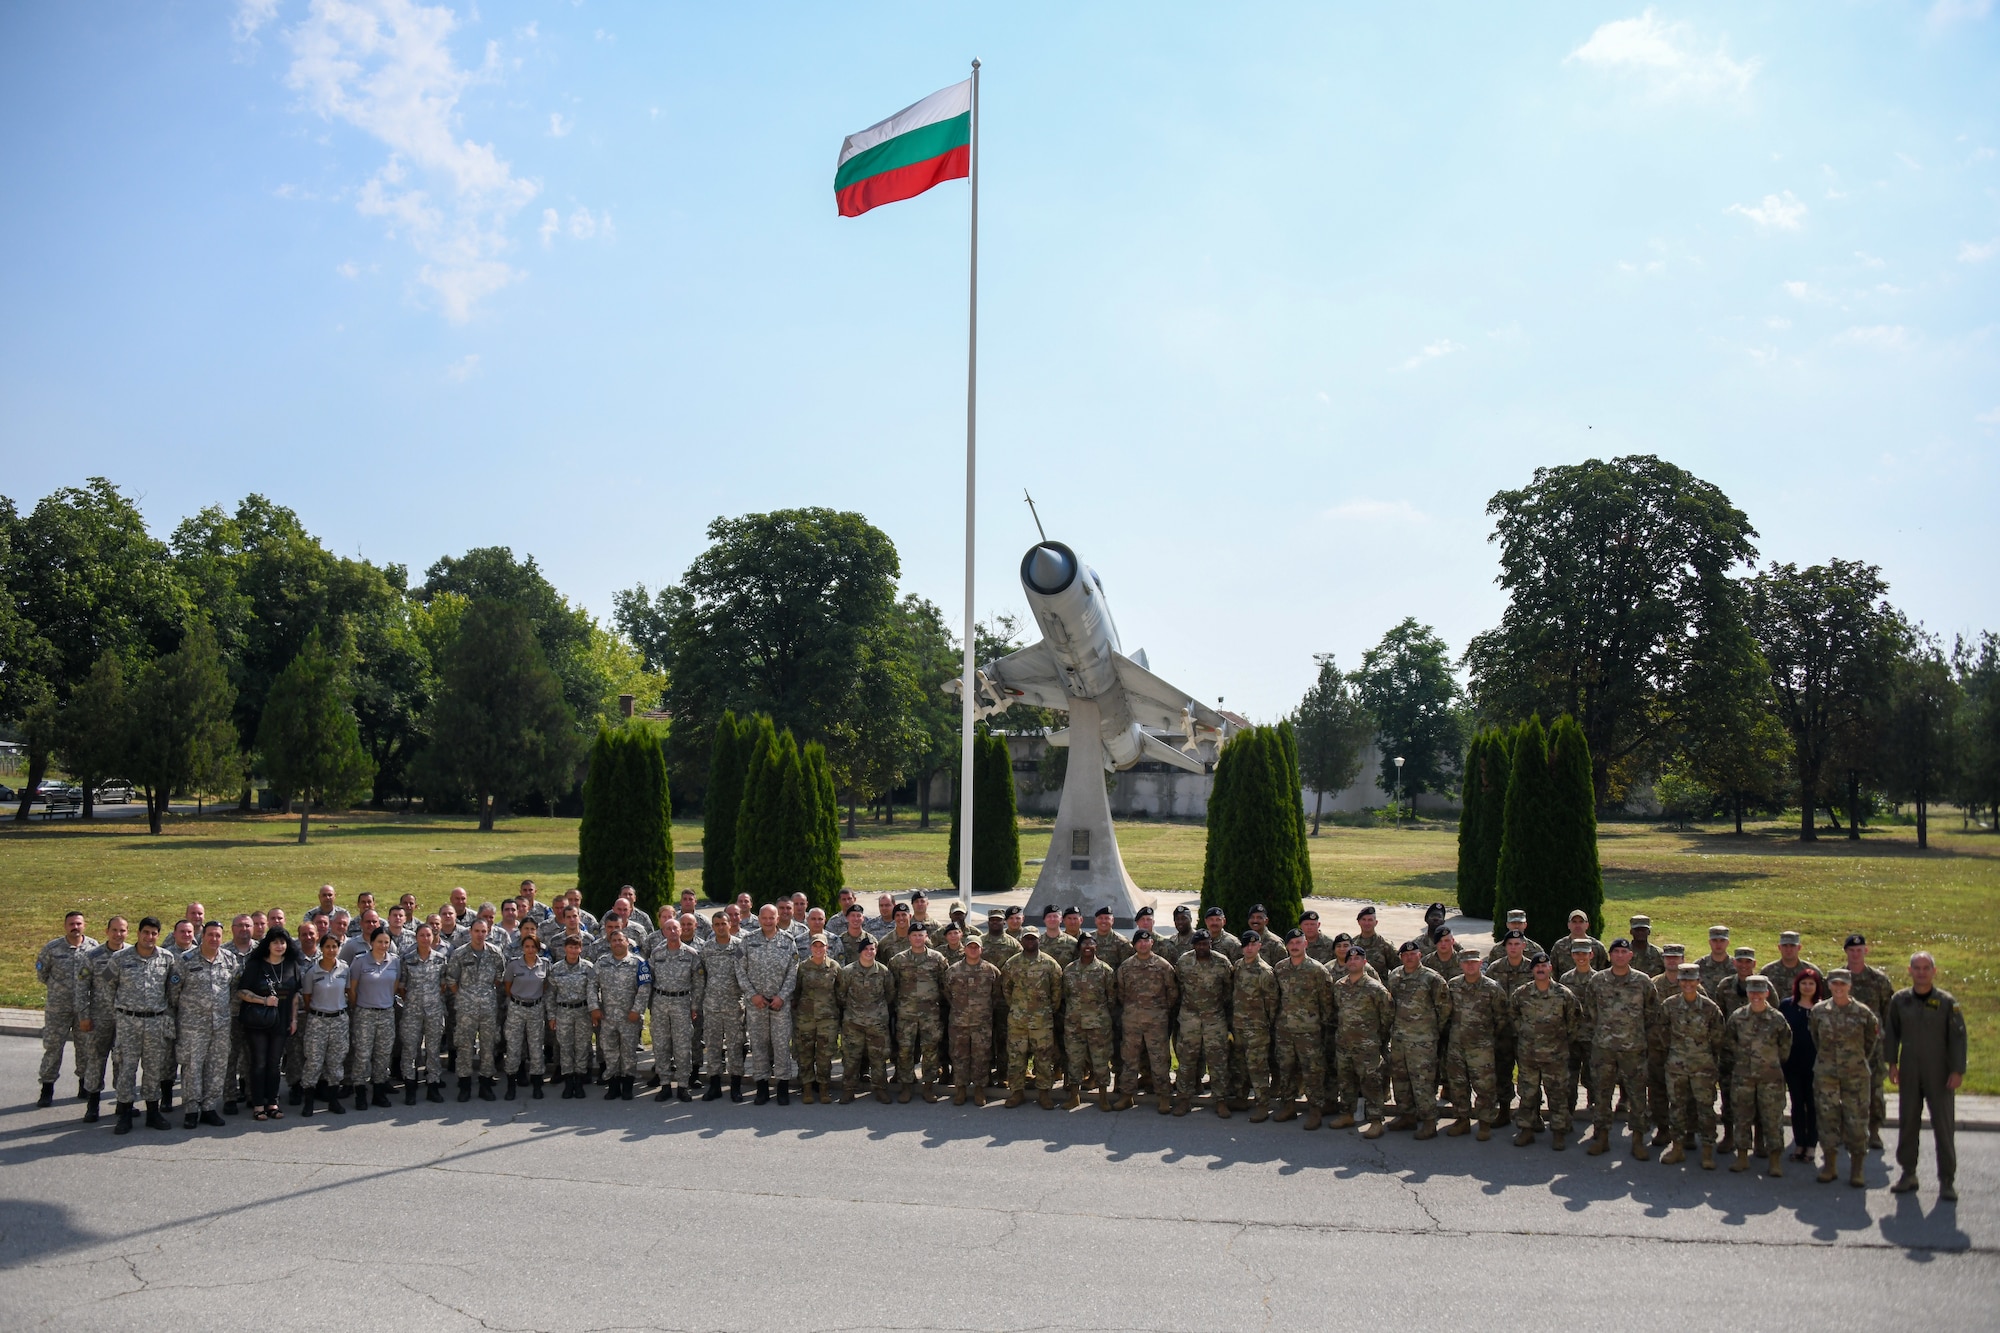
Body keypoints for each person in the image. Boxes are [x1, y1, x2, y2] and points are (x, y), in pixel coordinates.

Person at [1884, 951, 1967, 1201]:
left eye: (1926, 968)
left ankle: (1947, 1181)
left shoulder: (1946, 1002)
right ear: (1909, 971)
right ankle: (1908, 1173)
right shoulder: (1900, 1001)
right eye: (1916, 968)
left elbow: (1958, 1038)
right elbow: (1891, 1032)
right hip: (1909, 1069)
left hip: (1939, 1072)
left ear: (1934, 971)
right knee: (1908, 1122)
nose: (1921, 972)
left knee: (1943, 1126)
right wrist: (1892, 1063)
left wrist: (1957, 1070)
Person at [1811, 968, 1880, 1188]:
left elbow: (1870, 1041)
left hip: (1855, 1075)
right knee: (1827, 1118)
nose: (1838, 988)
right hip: (1826, 1074)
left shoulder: (1863, 1013)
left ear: (1850, 986)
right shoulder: (1819, 1011)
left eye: (1843, 984)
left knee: (1857, 1120)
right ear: (1829, 986)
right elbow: (1815, 1037)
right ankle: (1830, 1166)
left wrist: (1856, 1060)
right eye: (1835, 984)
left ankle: (1857, 1168)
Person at [1510, 954, 1581, 1150]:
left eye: (1544, 965)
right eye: (1537, 966)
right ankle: (1526, 1129)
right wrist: (1524, 1033)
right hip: (1529, 1054)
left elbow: (1574, 1020)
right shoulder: (1521, 994)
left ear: (1550, 968)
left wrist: (1562, 1040)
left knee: (1557, 1094)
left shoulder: (1563, 994)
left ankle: (1558, 1132)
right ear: (1532, 970)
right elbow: (1513, 1016)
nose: (1540, 969)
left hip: (1555, 1054)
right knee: (1527, 1093)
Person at [1659, 963, 1725, 1168]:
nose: (1688, 983)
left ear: (1698, 981)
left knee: (1705, 1109)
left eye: (1691, 979)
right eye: (1684, 979)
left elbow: (1718, 1037)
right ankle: (1677, 1148)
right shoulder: (1669, 1005)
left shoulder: (1709, 1008)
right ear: (1679, 981)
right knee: (1677, 1107)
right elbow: (1662, 1033)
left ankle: (1707, 1151)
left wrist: (1705, 1056)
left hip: (1702, 1066)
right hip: (1676, 1065)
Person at [1723, 976, 1791, 1175]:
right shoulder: (1738, 1017)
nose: (1756, 996)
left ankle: (1775, 1160)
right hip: (1743, 1076)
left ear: (1767, 993)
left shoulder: (1777, 1019)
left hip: (1770, 1077)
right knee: (1742, 1116)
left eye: (1760, 992)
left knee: (1772, 1118)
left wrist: (1771, 1061)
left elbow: (1785, 1045)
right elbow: (1730, 1041)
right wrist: (1744, 1059)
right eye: (1752, 992)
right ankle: (1742, 1157)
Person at [1385, 939, 1451, 1137]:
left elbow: (1444, 1007)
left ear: (1420, 955)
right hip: (1399, 1038)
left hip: (1423, 1040)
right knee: (1401, 1080)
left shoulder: (1432, 978)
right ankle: (1407, 1116)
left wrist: (1431, 1030)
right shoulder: (1395, 976)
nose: (1409, 957)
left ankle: (1429, 1122)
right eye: (1405, 955)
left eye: (1413, 954)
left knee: (1422, 1082)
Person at [236, 927, 303, 1121]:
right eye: (275, 942)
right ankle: (258, 1104)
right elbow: (242, 992)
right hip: (258, 1021)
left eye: (282, 942)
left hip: (281, 1021)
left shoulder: (291, 965)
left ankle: (273, 1103)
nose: (279, 946)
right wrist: (263, 1000)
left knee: (274, 1064)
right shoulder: (256, 965)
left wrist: (294, 1019)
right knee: (259, 1063)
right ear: (268, 944)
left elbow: (294, 997)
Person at [35, 911, 97, 1108]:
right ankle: (47, 1088)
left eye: (78, 923)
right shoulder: (52, 949)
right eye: (71, 924)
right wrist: (60, 991)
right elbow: (42, 973)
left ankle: (84, 1085)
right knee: (53, 1047)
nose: (75, 927)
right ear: (65, 926)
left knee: (85, 1048)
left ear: (84, 926)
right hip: (58, 1009)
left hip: (84, 1008)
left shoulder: (93, 948)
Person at [1330, 943, 1392, 1137]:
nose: (1353, 961)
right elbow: (1336, 1012)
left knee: (1371, 1083)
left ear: (1364, 962)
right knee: (1346, 1082)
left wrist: (1377, 1039)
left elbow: (1387, 1016)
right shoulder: (1339, 986)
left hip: (1368, 1046)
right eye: (1350, 958)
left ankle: (1376, 1121)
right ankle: (1347, 1114)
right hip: (1344, 1043)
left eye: (1357, 958)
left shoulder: (1375, 989)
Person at [740, 906, 800, 1105]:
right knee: (759, 1045)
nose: (767, 921)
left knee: (782, 1046)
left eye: (771, 917)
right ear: (759, 919)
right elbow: (740, 971)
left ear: (777, 918)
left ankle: (782, 1087)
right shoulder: (748, 941)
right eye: (764, 918)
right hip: (756, 1004)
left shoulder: (788, 941)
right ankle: (762, 1087)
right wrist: (752, 995)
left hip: (779, 1004)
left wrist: (782, 996)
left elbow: (794, 971)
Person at [1841, 933, 1895, 1150]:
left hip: (1873, 1046)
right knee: (1845, 1089)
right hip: (1844, 1044)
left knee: (1874, 1089)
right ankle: (1846, 1130)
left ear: (1866, 951)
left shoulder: (1879, 980)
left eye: (1859, 950)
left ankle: (1873, 1132)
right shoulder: (1838, 978)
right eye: (1852, 950)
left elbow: (1888, 1012)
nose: (1856, 954)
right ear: (1846, 952)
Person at [73, 915, 129, 1123]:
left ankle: (122, 1103)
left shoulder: (132, 954)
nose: (118, 934)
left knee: (122, 1061)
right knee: (96, 1060)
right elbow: (81, 987)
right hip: (100, 1017)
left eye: (122, 930)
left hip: (124, 1018)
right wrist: (84, 1015)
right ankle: (93, 1104)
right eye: (114, 930)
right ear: (107, 932)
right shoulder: (92, 956)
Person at [1444, 949, 1505, 1139]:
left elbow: (1501, 1017)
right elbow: (1445, 1013)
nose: (1470, 965)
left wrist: (1488, 1037)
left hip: (1481, 1047)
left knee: (1484, 1086)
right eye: (1466, 962)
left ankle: (1485, 1123)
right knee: (1458, 1084)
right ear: (1461, 965)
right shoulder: (1453, 986)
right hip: (1456, 1045)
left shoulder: (1492, 988)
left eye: (1474, 962)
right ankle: (1462, 1120)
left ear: (1480, 964)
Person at [446, 918, 507, 1102]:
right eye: (477, 931)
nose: (480, 935)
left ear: (488, 932)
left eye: (483, 931)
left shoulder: (495, 953)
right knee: (465, 1046)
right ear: (470, 932)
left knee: (488, 1046)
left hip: (488, 1008)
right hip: (466, 1008)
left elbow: (499, 978)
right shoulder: (460, 954)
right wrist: (465, 996)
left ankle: (485, 1084)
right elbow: (451, 980)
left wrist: (484, 993)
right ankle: (464, 1085)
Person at [647, 918, 704, 1103]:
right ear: (663, 932)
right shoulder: (656, 954)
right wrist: (650, 1005)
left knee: (682, 1046)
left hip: (682, 1002)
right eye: (668, 928)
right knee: (661, 1045)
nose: (672, 931)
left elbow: (698, 982)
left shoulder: (691, 954)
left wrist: (694, 1005)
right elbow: (649, 980)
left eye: (675, 928)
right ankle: (664, 1084)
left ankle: (682, 1085)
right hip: (660, 1002)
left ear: (680, 931)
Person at [945, 936, 1004, 1106]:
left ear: (981, 949)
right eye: (970, 947)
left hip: (982, 1023)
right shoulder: (953, 971)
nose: (973, 950)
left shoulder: (991, 971)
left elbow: (997, 994)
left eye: (976, 947)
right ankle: (961, 1089)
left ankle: (979, 1089)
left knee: (981, 1056)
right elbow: (947, 993)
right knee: (959, 1056)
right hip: (958, 1022)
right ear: (964, 949)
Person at [348, 927, 402, 1110]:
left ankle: (379, 1091)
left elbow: (394, 987)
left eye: (386, 942)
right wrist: (362, 1006)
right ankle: (360, 1091)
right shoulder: (360, 961)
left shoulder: (394, 961)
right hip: (365, 1013)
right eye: (379, 941)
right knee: (363, 1054)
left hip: (386, 1012)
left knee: (383, 1054)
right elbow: (352, 990)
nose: (383, 945)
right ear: (371, 942)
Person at [1061, 934, 1117, 1111]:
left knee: (1100, 1060)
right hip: (1074, 1023)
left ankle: (1103, 1097)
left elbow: (1112, 997)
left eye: (1091, 943)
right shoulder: (1069, 970)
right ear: (1079, 947)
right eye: (1084, 943)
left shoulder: (1105, 970)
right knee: (1075, 1059)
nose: (1088, 946)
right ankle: (1074, 1097)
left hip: (1098, 1024)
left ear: (1096, 947)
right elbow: (1065, 995)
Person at [837, 937, 896, 1103]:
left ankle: (880, 1089)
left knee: (878, 1058)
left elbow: (890, 994)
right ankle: (848, 1090)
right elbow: (841, 995)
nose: (869, 952)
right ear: (860, 951)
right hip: (853, 1023)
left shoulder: (883, 971)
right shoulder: (848, 971)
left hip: (877, 1023)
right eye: (866, 949)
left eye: (872, 949)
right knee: (851, 1058)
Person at [300, 932, 352, 1117]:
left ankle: (333, 1100)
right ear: (321, 949)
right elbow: (307, 998)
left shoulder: (344, 969)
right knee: (314, 1061)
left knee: (336, 1061)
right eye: (327, 947)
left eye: (334, 947)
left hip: (339, 1020)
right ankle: (308, 1101)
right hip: (318, 1020)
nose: (331, 950)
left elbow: (348, 992)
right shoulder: (312, 972)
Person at [594, 929, 650, 1101]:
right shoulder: (602, 962)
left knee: (628, 1053)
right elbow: (591, 985)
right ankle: (613, 1086)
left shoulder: (639, 963)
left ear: (628, 942)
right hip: (608, 1017)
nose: (617, 943)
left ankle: (627, 1086)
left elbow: (644, 988)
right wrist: (594, 1007)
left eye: (621, 940)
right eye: (614, 940)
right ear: (610, 944)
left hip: (629, 1017)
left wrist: (637, 1010)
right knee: (610, 1052)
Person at [398, 923, 451, 1104]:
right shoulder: (408, 959)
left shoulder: (440, 959)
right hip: (412, 1012)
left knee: (433, 1050)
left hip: (434, 1011)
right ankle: (410, 1087)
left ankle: (433, 1085)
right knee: (410, 1050)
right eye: (422, 935)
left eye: (428, 935)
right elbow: (402, 987)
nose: (425, 939)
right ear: (416, 937)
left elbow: (443, 986)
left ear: (433, 937)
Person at [1778, 966, 1825, 1162]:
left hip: (1816, 1065)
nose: (1807, 987)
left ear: (1817, 986)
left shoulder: (1823, 1008)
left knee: (1813, 1105)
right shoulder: (1787, 1006)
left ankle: (1812, 1145)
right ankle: (1799, 1144)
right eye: (1803, 983)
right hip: (1792, 1063)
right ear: (1797, 985)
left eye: (1811, 983)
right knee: (1797, 1104)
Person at [794, 933, 845, 1104]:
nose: (818, 949)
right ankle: (807, 1088)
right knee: (805, 1054)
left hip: (827, 1019)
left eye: (821, 946)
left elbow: (840, 993)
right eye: (815, 946)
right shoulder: (802, 967)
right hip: (806, 1018)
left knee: (825, 1056)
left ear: (826, 948)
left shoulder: (834, 967)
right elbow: (797, 992)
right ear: (810, 948)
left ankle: (824, 1088)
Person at [547, 936, 598, 1099]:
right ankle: (568, 1081)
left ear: (581, 949)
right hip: (563, 1012)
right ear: (565, 948)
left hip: (582, 1011)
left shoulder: (588, 968)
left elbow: (592, 992)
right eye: (570, 947)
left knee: (582, 1047)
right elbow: (550, 995)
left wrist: (593, 1012)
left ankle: (579, 1080)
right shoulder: (556, 969)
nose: (573, 950)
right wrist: (551, 1016)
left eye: (576, 947)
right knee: (565, 1047)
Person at [501, 932, 550, 1099]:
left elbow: (545, 986)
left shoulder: (545, 964)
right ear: (522, 948)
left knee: (536, 1048)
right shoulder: (514, 965)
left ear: (538, 948)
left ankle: (537, 1084)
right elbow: (507, 986)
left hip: (535, 1008)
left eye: (533, 947)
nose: (530, 950)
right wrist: (518, 997)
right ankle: (510, 1085)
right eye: (527, 946)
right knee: (514, 1047)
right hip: (517, 1008)